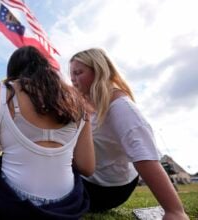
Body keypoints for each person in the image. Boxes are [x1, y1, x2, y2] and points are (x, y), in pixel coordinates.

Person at [0, 46, 95, 219]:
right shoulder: (76, 100)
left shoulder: (0, 93)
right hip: (66, 208)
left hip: (9, 206)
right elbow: (87, 167)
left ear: (12, 73)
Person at [69, 48, 189, 219]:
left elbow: (144, 155)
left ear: (99, 71)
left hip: (108, 189)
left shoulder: (121, 107)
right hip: (91, 181)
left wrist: (174, 211)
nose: (73, 79)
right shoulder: (86, 106)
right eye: (71, 74)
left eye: (78, 73)